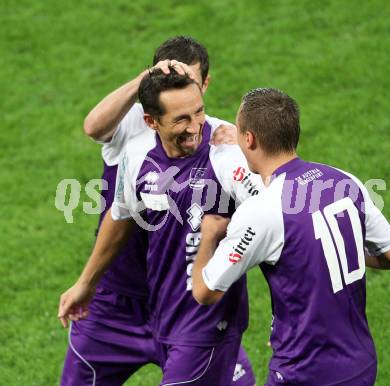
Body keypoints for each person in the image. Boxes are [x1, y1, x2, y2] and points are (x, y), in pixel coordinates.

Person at [59, 36, 255, 386]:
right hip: (118, 298)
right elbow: (118, 214)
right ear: (152, 118)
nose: (194, 123)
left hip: (189, 302)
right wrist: (85, 283)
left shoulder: (227, 145)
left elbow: (276, 220)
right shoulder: (133, 137)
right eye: (179, 115)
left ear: (204, 85)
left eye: (192, 92)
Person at [192, 88, 390, 385]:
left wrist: (209, 237)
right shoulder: (344, 180)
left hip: (305, 371)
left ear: (249, 139)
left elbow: (206, 291)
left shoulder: (262, 211)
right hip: (360, 364)